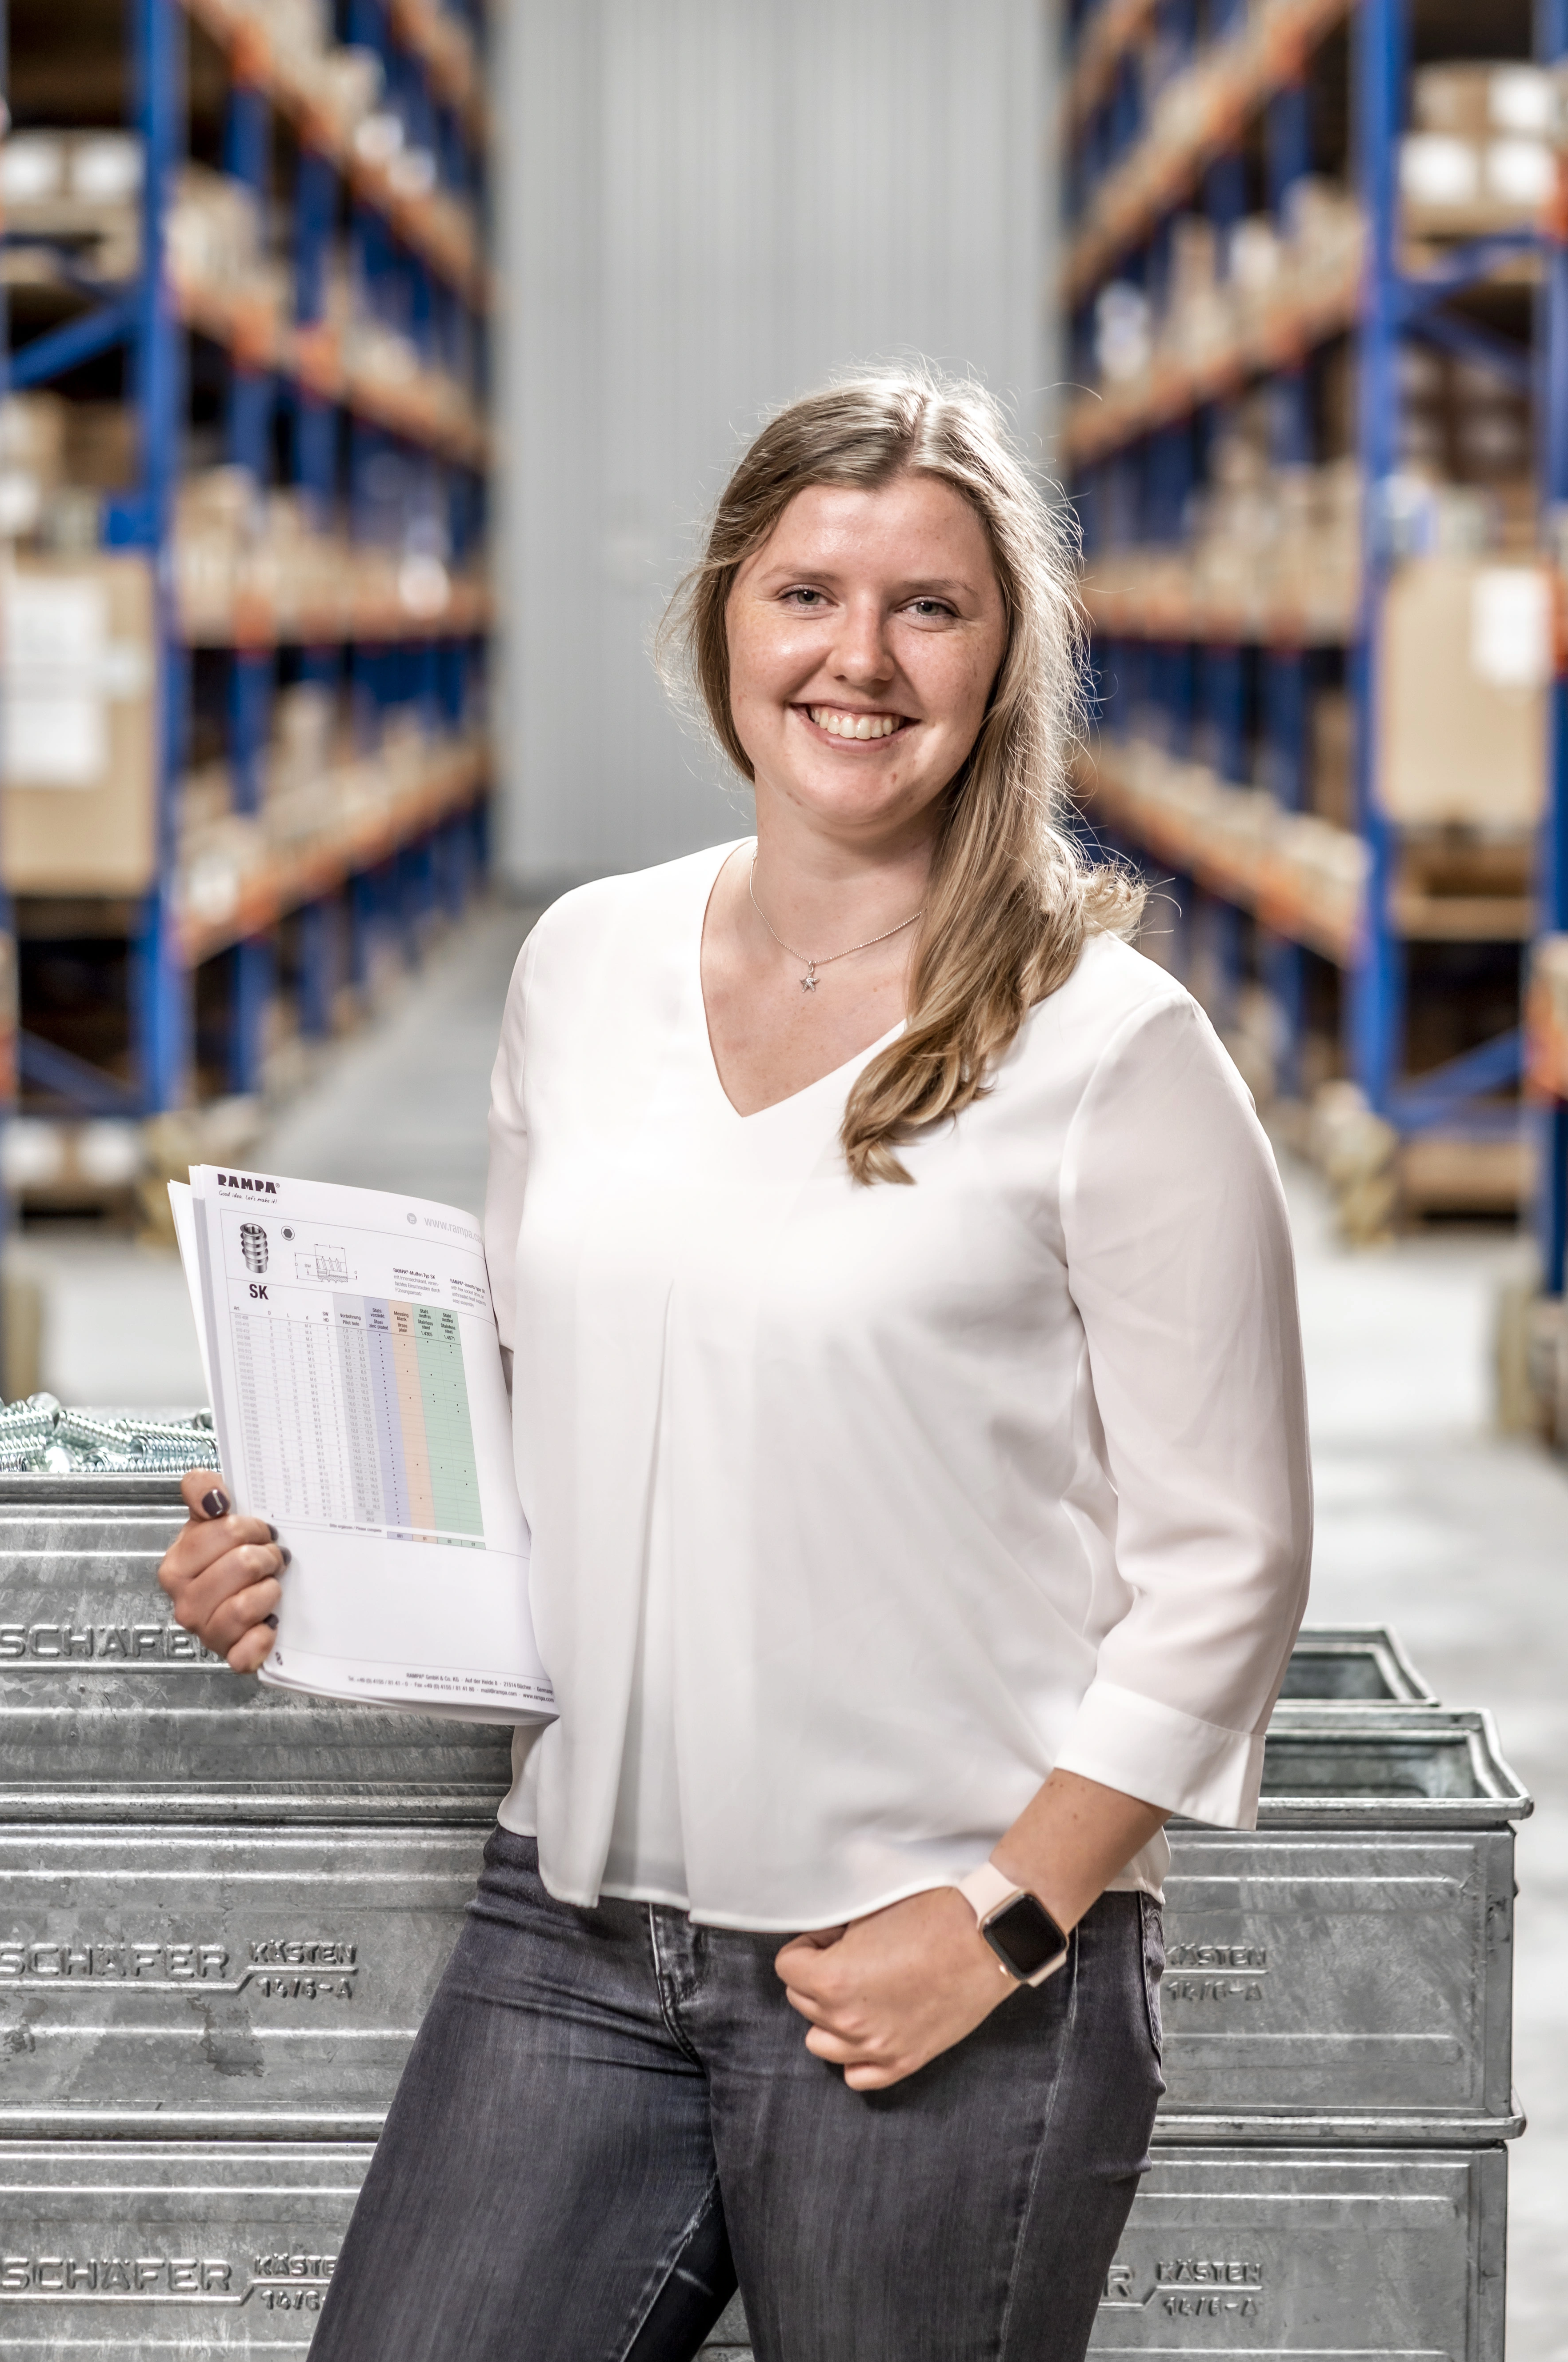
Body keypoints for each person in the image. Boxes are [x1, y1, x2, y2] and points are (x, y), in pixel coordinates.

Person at [157, 368, 1311, 2362]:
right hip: (575, 1919)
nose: (857, 657)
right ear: (722, 621)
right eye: (806, 594)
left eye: (928, 607)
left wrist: (1005, 1921)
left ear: (1003, 659)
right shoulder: (582, 967)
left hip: (930, 1960)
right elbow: (540, 1408)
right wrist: (302, 1558)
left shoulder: (1108, 1048)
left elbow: (1231, 1562)